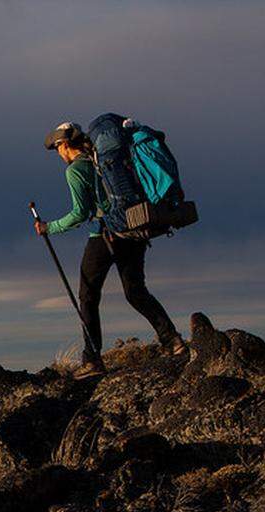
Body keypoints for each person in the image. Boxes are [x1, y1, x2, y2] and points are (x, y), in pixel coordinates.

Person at [37, 122, 186, 379]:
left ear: (64, 144)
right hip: (133, 227)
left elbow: (80, 213)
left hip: (104, 236)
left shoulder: (75, 170)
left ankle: (92, 360)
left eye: (58, 147)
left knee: (88, 295)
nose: (58, 153)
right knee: (136, 291)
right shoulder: (103, 159)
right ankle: (173, 341)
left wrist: (49, 227)